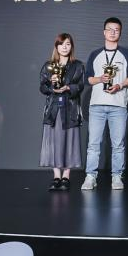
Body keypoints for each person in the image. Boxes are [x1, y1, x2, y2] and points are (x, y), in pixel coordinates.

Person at [82, 17, 128, 191]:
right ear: (104, 32)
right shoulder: (95, 54)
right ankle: (90, 176)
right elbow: (87, 79)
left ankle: (117, 176)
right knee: (93, 144)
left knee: (118, 145)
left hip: (118, 105)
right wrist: (100, 79)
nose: (113, 32)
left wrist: (119, 85)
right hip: (97, 105)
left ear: (120, 33)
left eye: (116, 30)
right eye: (110, 29)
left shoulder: (126, 54)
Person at [39, 33, 86, 191]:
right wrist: (52, 85)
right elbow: (42, 87)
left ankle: (66, 176)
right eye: (61, 44)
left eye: (68, 44)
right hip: (53, 109)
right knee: (54, 141)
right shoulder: (49, 66)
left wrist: (68, 87)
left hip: (70, 107)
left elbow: (80, 85)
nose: (64, 47)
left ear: (72, 46)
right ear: (56, 47)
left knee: (70, 140)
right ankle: (56, 176)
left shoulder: (78, 65)